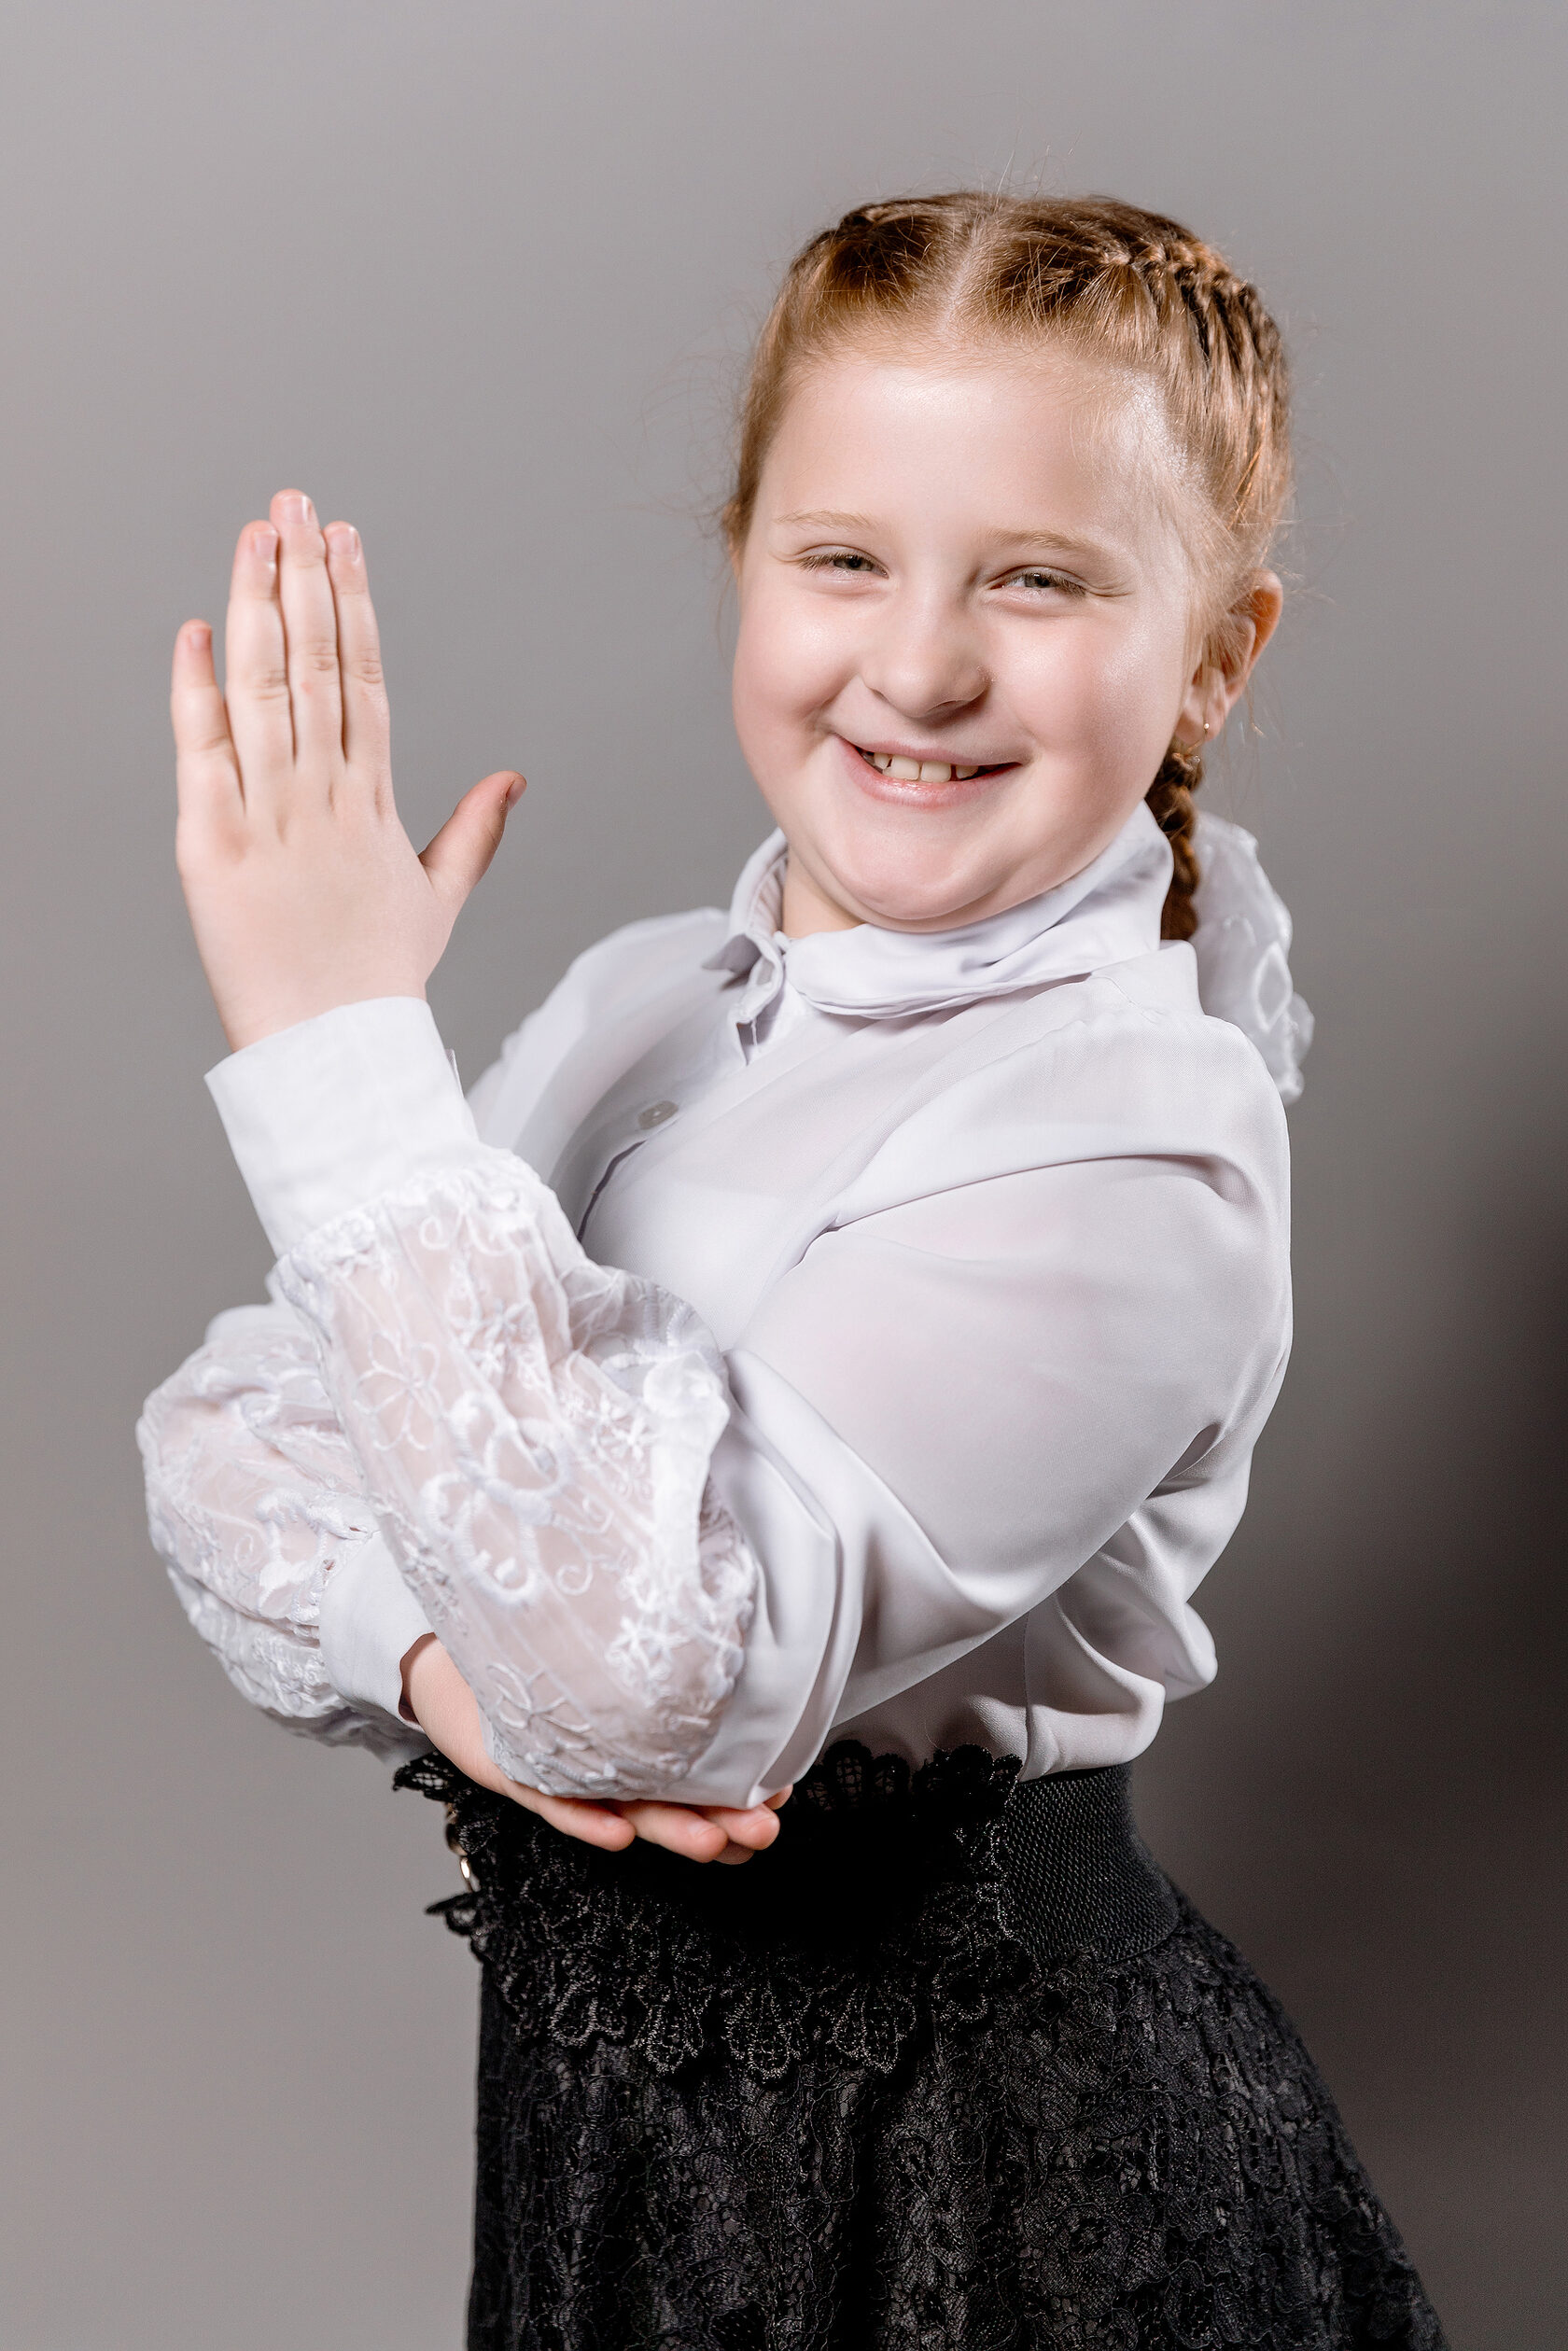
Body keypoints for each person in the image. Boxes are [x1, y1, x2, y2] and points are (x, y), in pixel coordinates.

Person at [139, 193, 1445, 2348]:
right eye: (843, 558)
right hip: (625, 2135)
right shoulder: (648, 996)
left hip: (982, 2175)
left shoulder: (1138, 1141)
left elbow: (648, 1676)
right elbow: (230, 1436)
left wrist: (338, 1052)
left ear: (1220, 653)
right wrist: (453, 1674)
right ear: (744, 564)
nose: (919, 667)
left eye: (1038, 579)